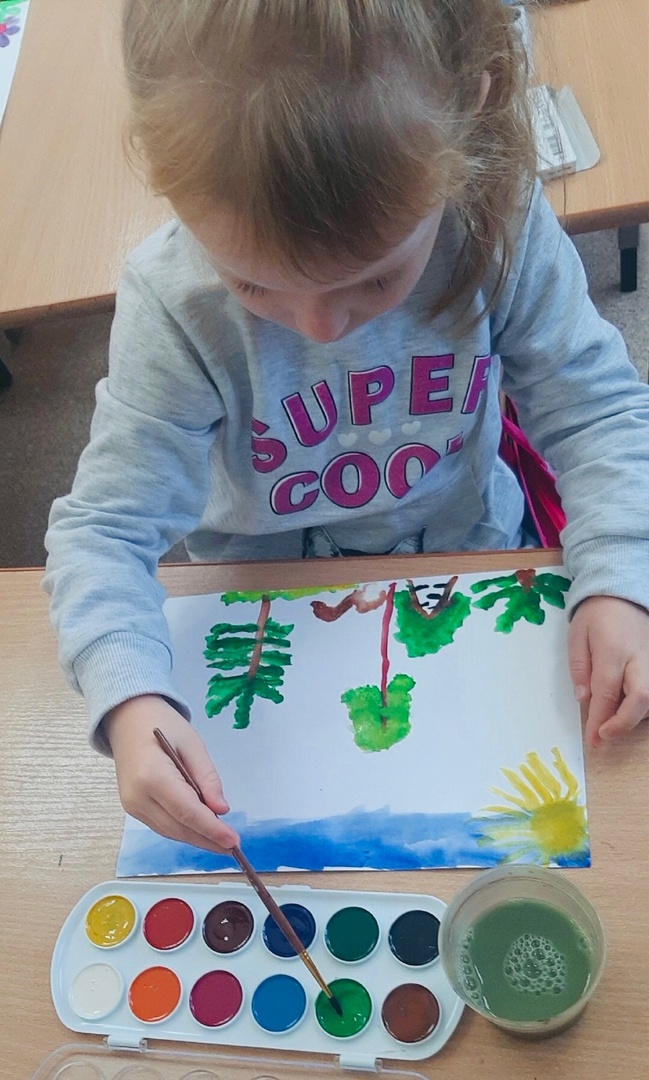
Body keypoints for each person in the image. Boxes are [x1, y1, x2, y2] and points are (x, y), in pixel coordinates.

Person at [44, 0, 649, 857]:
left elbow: (597, 411)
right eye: (253, 286)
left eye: (373, 280)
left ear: (467, 112)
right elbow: (103, 530)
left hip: (471, 564)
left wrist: (620, 575)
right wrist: (129, 694)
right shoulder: (173, 303)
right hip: (264, 606)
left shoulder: (498, 222)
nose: (321, 329)